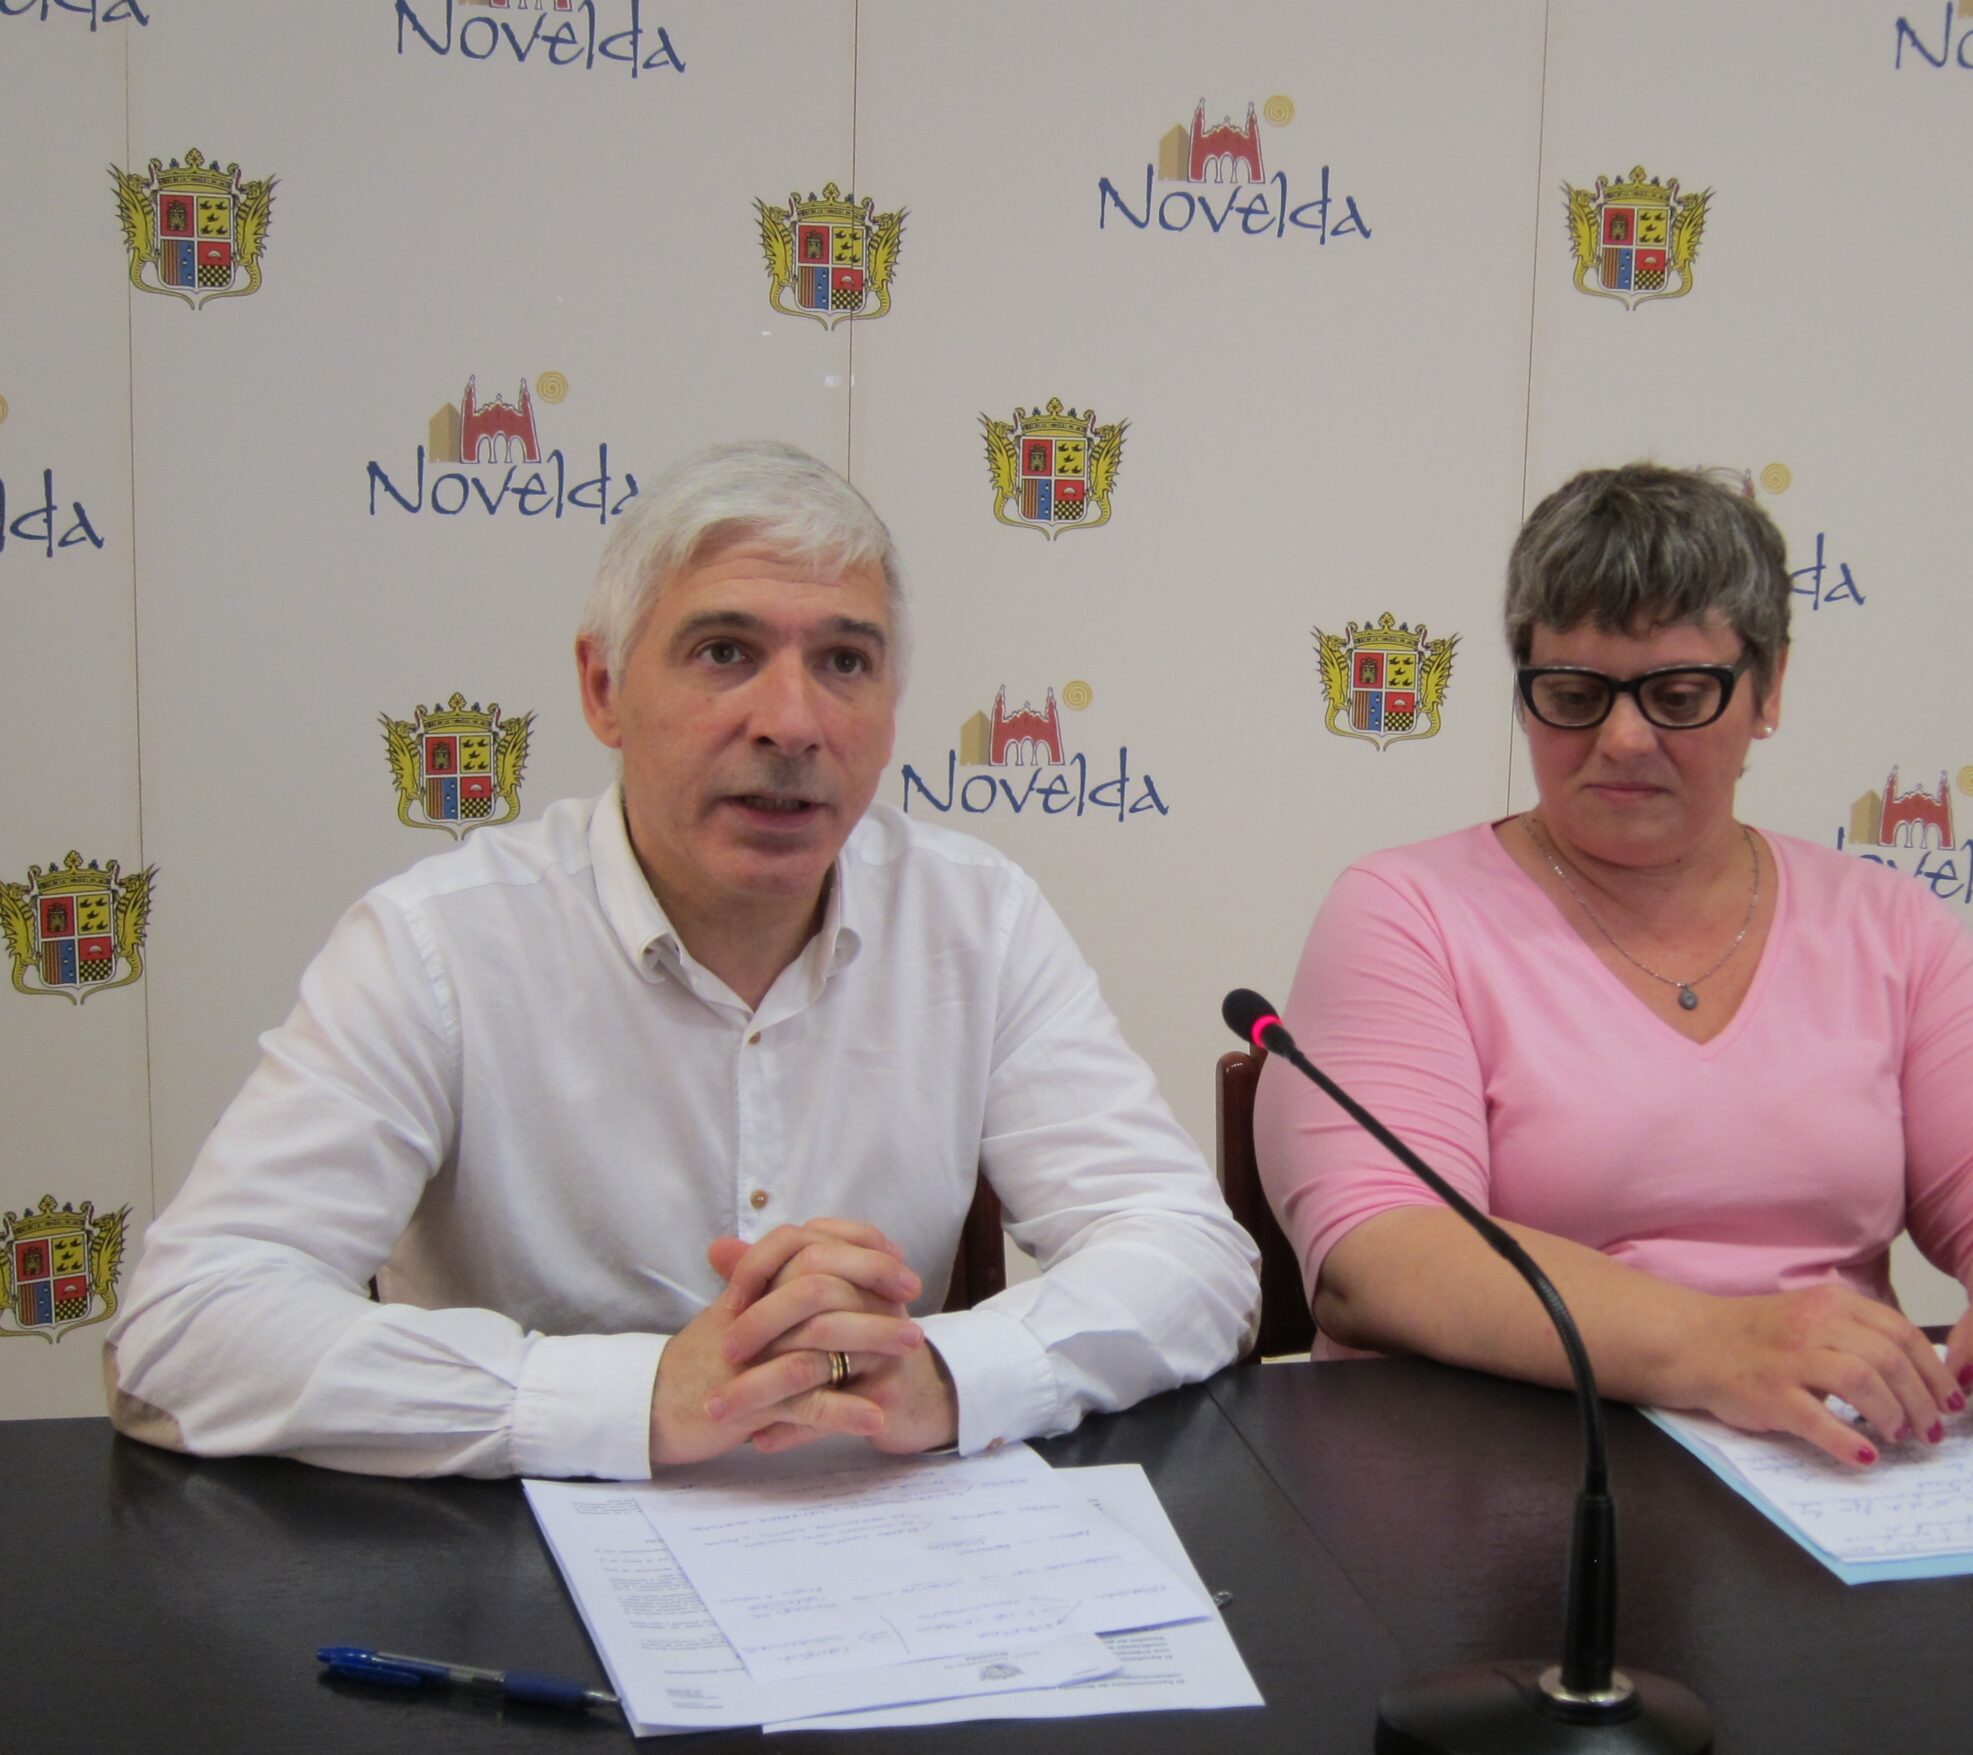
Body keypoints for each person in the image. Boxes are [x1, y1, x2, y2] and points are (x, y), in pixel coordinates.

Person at [107, 442, 1256, 1479]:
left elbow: (1190, 1256)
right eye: (724, 652)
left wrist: (951, 1376)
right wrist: (643, 1395)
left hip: (874, 1551)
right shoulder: (438, 944)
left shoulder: (976, 918)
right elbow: (183, 1332)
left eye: (844, 662)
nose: (792, 722)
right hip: (516, 1566)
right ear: (604, 689)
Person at [1254, 464, 1973, 1470]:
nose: (1622, 738)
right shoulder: (1407, 912)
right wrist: (1719, 1346)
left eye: (1680, 695)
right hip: (1510, 1470)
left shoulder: (1887, 924)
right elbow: (1377, 1255)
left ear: (1768, 689)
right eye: (1572, 695)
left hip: (1832, 1470)